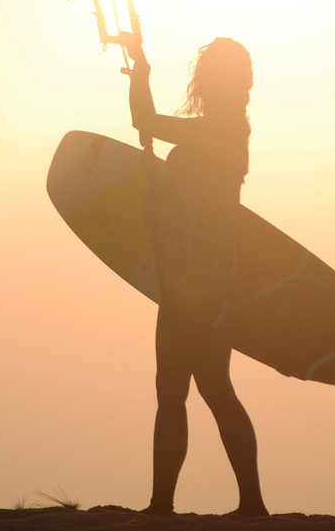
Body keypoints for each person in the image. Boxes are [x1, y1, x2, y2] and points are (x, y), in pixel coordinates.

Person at [121, 33, 269, 517]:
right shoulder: (226, 129)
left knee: (184, 389)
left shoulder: (223, 131)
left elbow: (146, 122)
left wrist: (141, 69)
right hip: (195, 271)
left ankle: (173, 504)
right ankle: (244, 504)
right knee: (202, 387)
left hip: (200, 275)